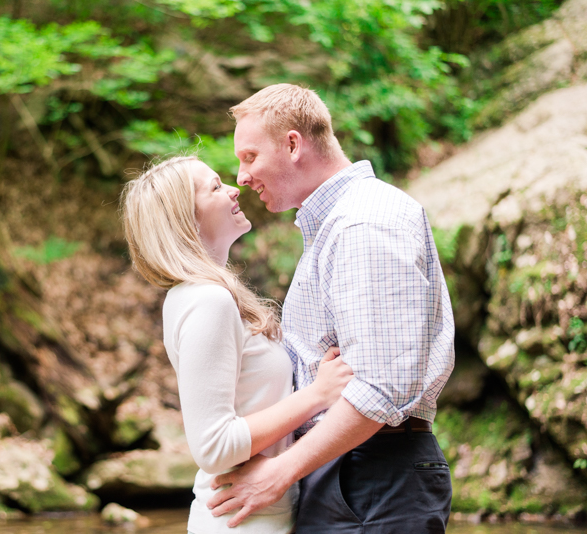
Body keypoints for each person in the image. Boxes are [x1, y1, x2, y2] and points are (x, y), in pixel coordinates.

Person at [206, 84, 456, 533]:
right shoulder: (337, 224)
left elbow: (381, 387)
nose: (241, 177)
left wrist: (280, 474)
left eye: (249, 157)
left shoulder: (363, 222)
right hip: (353, 470)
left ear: (293, 144)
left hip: (369, 475)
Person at [121, 155, 354, 533]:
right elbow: (213, 445)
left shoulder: (197, 296)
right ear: (187, 221)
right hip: (243, 521)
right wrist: (318, 394)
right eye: (215, 187)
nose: (234, 189)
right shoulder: (207, 301)